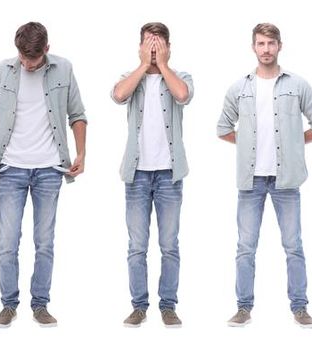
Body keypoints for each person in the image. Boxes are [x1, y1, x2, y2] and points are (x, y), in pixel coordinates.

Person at [216, 22, 312, 329]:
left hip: (286, 180)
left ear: (280, 46)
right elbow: (223, 128)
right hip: (250, 180)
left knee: (293, 245)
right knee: (245, 247)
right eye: (261, 44)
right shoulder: (239, 88)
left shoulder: (298, 85)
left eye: (271, 43)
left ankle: (300, 307)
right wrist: (248, 145)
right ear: (253, 47)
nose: (266, 49)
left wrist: (292, 144)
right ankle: (243, 307)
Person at [0, 22, 89, 328]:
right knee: (7, 243)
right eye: (23, 57)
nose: (27, 63)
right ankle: (8, 305)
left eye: (34, 59)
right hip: (10, 168)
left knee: (44, 241)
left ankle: (40, 304)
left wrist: (80, 153)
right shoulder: (2, 71)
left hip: (49, 170)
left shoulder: (64, 70)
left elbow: (77, 114)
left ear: (47, 51)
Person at [110, 22, 194, 328]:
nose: (154, 48)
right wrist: (144, 64)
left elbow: (183, 95)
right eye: (148, 42)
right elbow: (118, 95)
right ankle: (139, 306)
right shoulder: (130, 79)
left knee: (169, 244)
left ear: (169, 47)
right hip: (137, 174)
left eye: (159, 43)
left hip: (170, 174)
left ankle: (168, 305)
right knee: (137, 246)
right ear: (140, 46)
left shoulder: (181, 77)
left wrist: (163, 64)